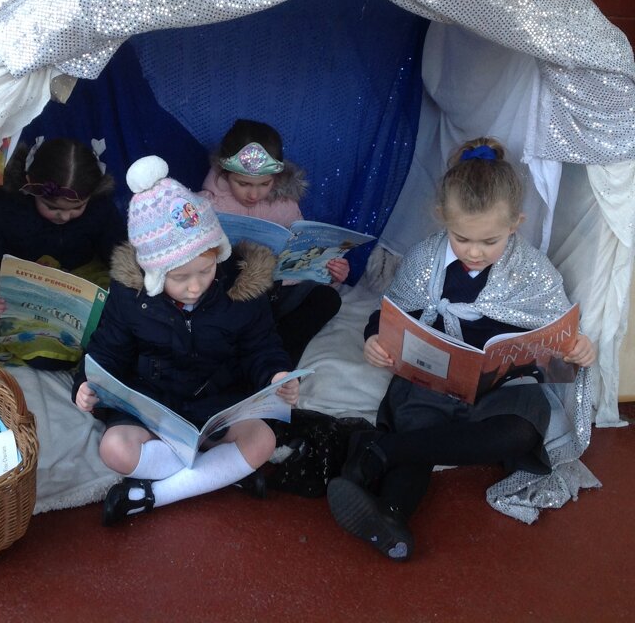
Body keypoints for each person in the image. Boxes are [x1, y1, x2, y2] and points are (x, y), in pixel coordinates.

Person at [327, 137, 596, 561]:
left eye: (489, 241)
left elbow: (560, 335)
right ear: (442, 220)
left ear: (516, 224)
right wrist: (375, 341)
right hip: (436, 379)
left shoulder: (533, 271)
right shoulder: (425, 258)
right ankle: (393, 518)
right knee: (418, 423)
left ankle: (379, 451)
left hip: (502, 390)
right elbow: (392, 314)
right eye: (461, 238)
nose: (473, 252)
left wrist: (580, 349)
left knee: (521, 431)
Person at [72, 155, 298, 525]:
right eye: (179, 277)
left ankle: (153, 495)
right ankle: (219, 475)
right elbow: (105, 351)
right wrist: (86, 386)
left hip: (219, 402)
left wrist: (276, 377)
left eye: (206, 271)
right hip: (152, 403)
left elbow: (263, 345)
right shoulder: (131, 296)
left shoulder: (242, 289)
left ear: (218, 255)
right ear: (153, 273)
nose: (195, 286)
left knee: (263, 440)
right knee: (114, 449)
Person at [0, 137, 127, 367]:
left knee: (118, 317)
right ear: (29, 184)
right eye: (52, 208)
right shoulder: (4, 207)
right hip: (18, 287)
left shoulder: (100, 207)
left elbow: (118, 251)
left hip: (80, 278)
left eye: (78, 207)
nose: (65, 217)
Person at [198, 118, 349, 365]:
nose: (254, 194)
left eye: (264, 184)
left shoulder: (286, 205)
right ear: (225, 172)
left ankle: (277, 363)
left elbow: (303, 255)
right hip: (234, 298)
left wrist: (329, 270)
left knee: (327, 299)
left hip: (279, 294)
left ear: (276, 178)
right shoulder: (208, 205)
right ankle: (258, 354)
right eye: (243, 183)